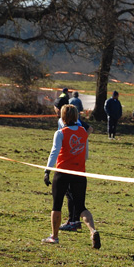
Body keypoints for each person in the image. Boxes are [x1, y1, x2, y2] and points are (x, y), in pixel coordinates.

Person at [42, 104, 101, 249]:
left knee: (57, 204)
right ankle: (93, 231)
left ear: (63, 117)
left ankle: (54, 237)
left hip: (62, 173)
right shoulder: (83, 131)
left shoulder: (61, 133)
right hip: (79, 173)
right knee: (81, 206)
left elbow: (54, 152)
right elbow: (85, 154)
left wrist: (47, 170)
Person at [56, 104, 94, 232]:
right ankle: (80, 224)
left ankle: (73, 221)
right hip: (78, 167)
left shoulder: (72, 126)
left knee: (70, 197)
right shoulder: (79, 127)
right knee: (76, 200)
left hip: (67, 166)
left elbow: (89, 130)